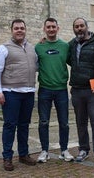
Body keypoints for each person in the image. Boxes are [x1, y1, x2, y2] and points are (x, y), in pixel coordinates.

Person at [0, 19, 37, 171]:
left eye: (22, 28)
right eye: (16, 28)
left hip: (28, 93)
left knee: (24, 125)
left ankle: (23, 155)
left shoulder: (32, 48)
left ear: (25, 30)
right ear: (11, 30)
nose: (19, 30)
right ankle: (7, 157)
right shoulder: (3, 48)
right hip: (11, 93)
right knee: (10, 125)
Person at [67, 17, 94, 168]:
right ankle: (83, 150)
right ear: (74, 29)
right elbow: (64, 57)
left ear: (87, 27)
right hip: (77, 91)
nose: (79, 28)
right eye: (76, 26)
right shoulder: (71, 45)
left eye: (81, 26)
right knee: (81, 123)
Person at [35, 18, 74, 163]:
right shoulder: (38, 47)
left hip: (61, 90)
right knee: (43, 122)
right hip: (44, 89)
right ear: (44, 29)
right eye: (48, 27)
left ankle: (64, 150)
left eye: (53, 27)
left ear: (58, 28)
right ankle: (44, 151)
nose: (51, 29)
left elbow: (74, 62)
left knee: (64, 122)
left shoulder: (65, 46)